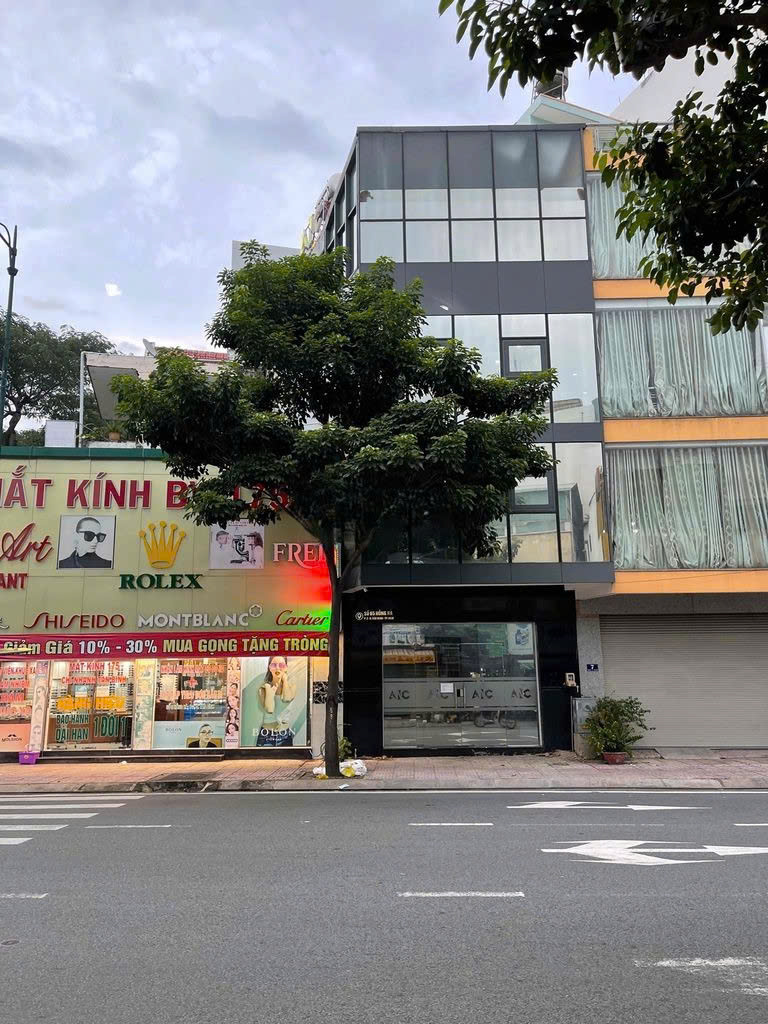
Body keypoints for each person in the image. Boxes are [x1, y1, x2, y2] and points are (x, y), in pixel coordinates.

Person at [256, 655, 297, 748]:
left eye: (281, 665)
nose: (278, 668)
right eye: (274, 665)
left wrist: (285, 680)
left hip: (285, 735)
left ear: (286, 667)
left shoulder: (292, 686)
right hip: (266, 735)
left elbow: (286, 698)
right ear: (269, 668)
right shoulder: (263, 688)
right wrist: (269, 689)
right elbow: (269, 709)